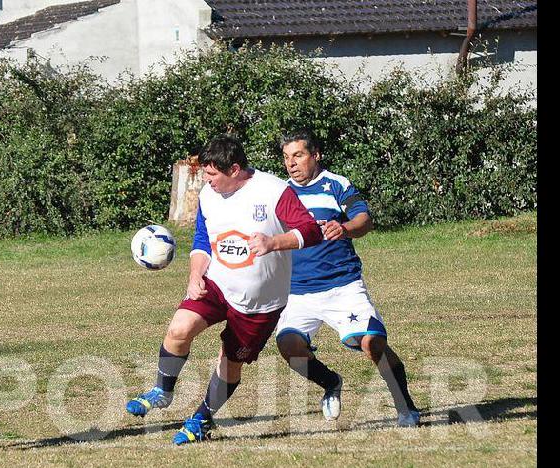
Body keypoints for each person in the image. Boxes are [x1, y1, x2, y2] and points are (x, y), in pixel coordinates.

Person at [124, 134, 323, 445]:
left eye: (212, 173)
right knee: (179, 329)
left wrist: (274, 243)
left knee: (229, 361)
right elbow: (203, 240)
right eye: (205, 172)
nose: (207, 179)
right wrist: (194, 275)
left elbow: (311, 230)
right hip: (217, 284)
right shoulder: (208, 194)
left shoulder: (273, 191)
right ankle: (162, 390)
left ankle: (202, 417)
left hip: (259, 302)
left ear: (234, 169)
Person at [274, 130, 420, 427]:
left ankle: (406, 407)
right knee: (289, 347)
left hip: (342, 285)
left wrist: (345, 228)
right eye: (287, 157)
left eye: (298, 155)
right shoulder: (278, 192)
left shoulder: (336, 184)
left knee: (371, 343)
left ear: (316, 155)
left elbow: (364, 220)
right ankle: (330, 383)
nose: (291, 163)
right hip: (298, 292)